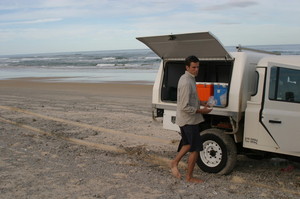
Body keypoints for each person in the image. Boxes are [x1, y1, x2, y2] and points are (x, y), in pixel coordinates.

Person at [170, 55, 212, 183]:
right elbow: (184, 106)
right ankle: (189, 177)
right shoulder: (186, 82)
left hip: (187, 120)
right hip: (188, 120)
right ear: (187, 67)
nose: (196, 70)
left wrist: (202, 102)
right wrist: (201, 111)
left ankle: (174, 163)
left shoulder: (190, 78)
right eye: (193, 67)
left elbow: (192, 98)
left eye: (198, 67)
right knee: (195, 149)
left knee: (187, 144)